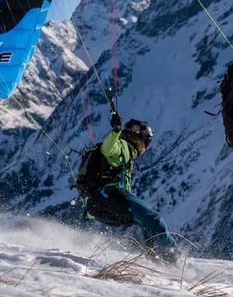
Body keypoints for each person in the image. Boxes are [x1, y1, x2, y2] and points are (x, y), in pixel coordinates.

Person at [76, 113, 180, 263]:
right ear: (140, 139)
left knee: (146, 223)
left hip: (99, 204)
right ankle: (175, 261)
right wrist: (116, 131)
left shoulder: (127, 155)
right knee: (153, 220)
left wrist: (90, 211)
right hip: (109, 196)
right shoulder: (123, 145)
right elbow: (108, 148)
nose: (146, 148)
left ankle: (158, 261)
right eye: (147, 142)